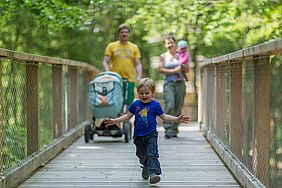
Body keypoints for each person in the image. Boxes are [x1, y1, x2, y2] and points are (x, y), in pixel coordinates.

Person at [104, 78, 190, 184]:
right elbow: (127, 116)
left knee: (152, 153)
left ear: (152, 93)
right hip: (138, 136)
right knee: (142, 155)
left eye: (147, 93)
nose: (144, 95)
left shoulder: (155, 105)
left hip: (151, 134)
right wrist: (115, 121)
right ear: (138, 93)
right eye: (141, 93)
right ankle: (145, 166)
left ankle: (154, 173)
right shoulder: (135, 105)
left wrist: (177, 119)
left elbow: (164, 116)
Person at [102, 24, 142, 106]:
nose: (124, 34)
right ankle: (117, 118)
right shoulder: (111, 46)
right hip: (115, 79)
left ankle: (126, 117)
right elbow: (105, 62)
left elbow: (138, 64)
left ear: (128, 34)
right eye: (122, 32)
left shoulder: (134, 47)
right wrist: (108, 74)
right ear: (118, 34)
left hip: (130, 79)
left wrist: (139, 77)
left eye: (126, 32)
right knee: (116, 100)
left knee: (129, 101)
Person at [158, 36, 187, 139]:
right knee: (170, 104)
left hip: (180, 83)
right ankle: (168, 129)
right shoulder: (163, 56)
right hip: (169, 83)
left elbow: (187, 70)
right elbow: (160, 69)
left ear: (175, 43)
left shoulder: (181, 55)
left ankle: (175, 129)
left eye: (171, 43)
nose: (170, 45)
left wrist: (183, 66)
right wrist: (174, 71)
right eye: (168, 43)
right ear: (165, 45)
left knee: (178, 106)